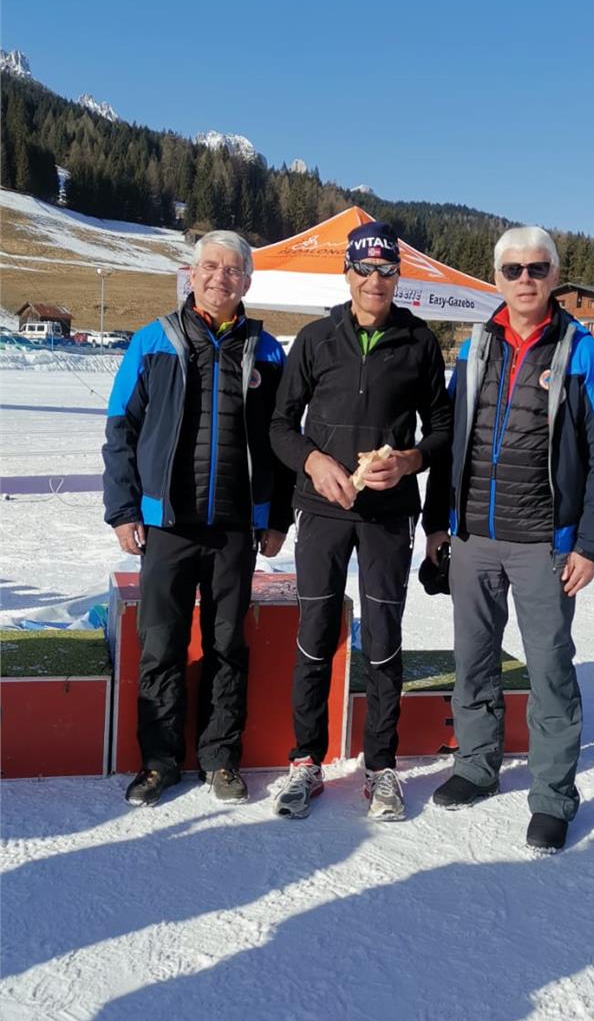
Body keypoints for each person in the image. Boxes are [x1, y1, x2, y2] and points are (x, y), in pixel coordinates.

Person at [425, 225, 594, 852]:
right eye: (512, 269)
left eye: (537, 268)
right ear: (497, 277)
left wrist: (590, 544)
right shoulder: (475, 348)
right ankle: (476, 766)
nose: (524, 279)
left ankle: (553, 796)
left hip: (545, 545)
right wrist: (438, 523)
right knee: (473, 661)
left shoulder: (583, 353)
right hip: (474, 539)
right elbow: (452, 442)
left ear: (554, 275)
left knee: (549, 669)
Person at [102, 230, 292, 806]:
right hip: (167, 523)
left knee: (227, 645)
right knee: (160, 644)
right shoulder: (151, 341)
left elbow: (282, 440)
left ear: (247, 281)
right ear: (192, 273)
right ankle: (159, 762)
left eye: (232, 270)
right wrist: (124, 509)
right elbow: (121, 429)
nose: (219, 278)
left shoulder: (267, 351)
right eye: (210, 266)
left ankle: (220, 759)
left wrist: (277, 517)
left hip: (235, 526)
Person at [269, 219, 450, 821]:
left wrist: (410, 460)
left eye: (387, 270)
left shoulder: (420, 342)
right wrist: (313, 460)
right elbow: (280, 425)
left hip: (387, 515)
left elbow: (443, 428)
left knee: (383, 638)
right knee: (315, 632)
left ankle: (380, 767)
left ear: (399, 276)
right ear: (346, 272)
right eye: (366, 269)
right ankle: (305, 761)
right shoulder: (316, 339)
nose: (376, 280)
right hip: (323, 508)